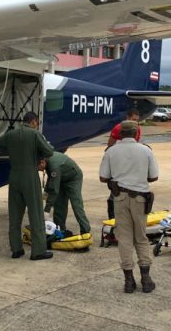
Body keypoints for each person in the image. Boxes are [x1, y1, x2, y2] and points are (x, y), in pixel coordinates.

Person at [99, 120, 159, 293]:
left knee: (124, 238)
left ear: (119, 134)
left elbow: (103, 177)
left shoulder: (111, 151)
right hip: (140, 198)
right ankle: (146, 279)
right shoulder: (145, 150)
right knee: (141, 237)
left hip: (119, 198)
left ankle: (128, 281)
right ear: (136, 133)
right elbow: (153, 176)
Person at [0, 112, 54, 261]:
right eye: (36, 123)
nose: (36, 126)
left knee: (14, 215)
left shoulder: (11, 134)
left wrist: (12, 151)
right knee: (36, 214)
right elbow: (49, 151)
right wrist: (37, 155)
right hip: (29, 176)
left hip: (14, 176)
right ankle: (38, 251)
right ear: (33, 122)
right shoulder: (34, 134)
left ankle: (16, 249)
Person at [39, 151, 90, 237]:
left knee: (76, 205)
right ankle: (60, 231)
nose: (38, 170)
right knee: (59, 206)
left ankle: (85, 231)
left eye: (38, 167)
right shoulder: (46, 160)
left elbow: (54, 190)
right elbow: (51, 180)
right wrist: (45, 195)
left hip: (73, 178)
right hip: (61, 179)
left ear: (42, 162)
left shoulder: (54, 166)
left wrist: (46, 210)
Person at [106, 108, 142, 219]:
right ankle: (113, 219)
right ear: (127, 118)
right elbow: (110, 145)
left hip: (130, 164)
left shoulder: (137, 129)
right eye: (133, 119)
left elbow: (136, 146)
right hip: (118, 164)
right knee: (115, 193)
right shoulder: (118, 128)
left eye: (137, 121)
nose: (135, 123)